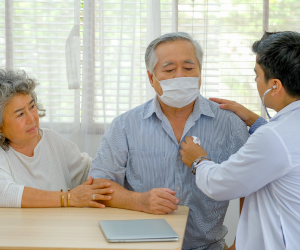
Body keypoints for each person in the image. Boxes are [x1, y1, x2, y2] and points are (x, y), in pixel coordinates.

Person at [89, 32, 249, 250]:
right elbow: (98, 186)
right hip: (141, 246)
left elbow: (252, 187)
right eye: (169, 69)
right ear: (151, 78)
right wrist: (139, 201)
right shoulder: (125, 125)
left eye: (189, 68)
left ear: (200, 73)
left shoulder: (230, 123)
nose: (180, 76)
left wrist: (242, 244)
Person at [180, 31, 300, 250]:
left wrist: (198, 161)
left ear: (274, 86)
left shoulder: (275, 137)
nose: (255, 81)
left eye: (256, 75)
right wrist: (255, 121)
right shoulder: (284, 131)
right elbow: (288, 150)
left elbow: (221, 184)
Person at [0, 69, 113, 208]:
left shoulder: (53, 141)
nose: (31, 118)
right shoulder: (3, 154)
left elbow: (89, 171)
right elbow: (5, 193)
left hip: (61, 227)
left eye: (32, 106)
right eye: (20, 114)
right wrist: (68, 199)